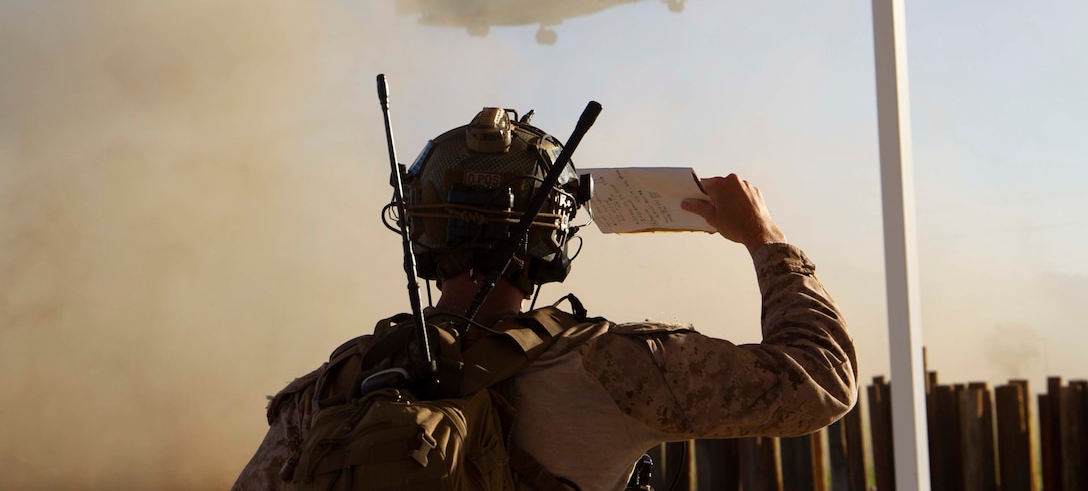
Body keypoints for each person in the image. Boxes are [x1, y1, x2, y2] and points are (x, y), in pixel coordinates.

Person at [232, 107, 857, 491]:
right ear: (549, 238)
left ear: (419, 225)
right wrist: (766, 239)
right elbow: (820, 382)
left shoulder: (334, 389)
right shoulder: (611, 366)